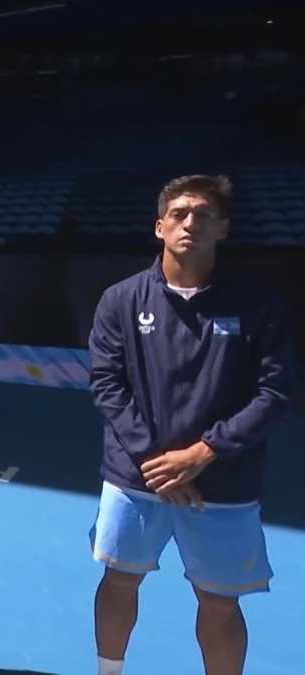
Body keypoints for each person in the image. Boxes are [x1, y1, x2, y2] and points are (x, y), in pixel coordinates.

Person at [87, 175, 297, 675]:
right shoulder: (121, 300)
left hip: (222, 482)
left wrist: (204, 453)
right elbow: (107, 384)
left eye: (203, 215)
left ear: (223, 227)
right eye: (179, 214)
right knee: (120, 580)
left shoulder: (259, 303)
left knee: (220, 602)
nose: (190, 223)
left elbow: (275, 391)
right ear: (159, 226)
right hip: (137, 478)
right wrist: (154, 459)